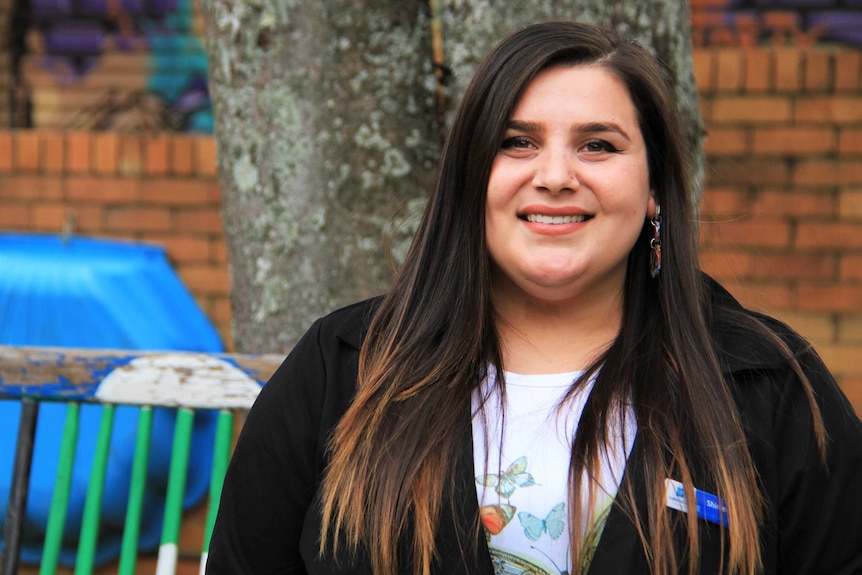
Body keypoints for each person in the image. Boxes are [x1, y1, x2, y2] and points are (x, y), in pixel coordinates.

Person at [206, 21, 862, 575]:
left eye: (598, 145)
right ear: (470, 176)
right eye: (516, 142)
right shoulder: (343, 366)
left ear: (655, 186)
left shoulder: (765, 382)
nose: (554, 176)